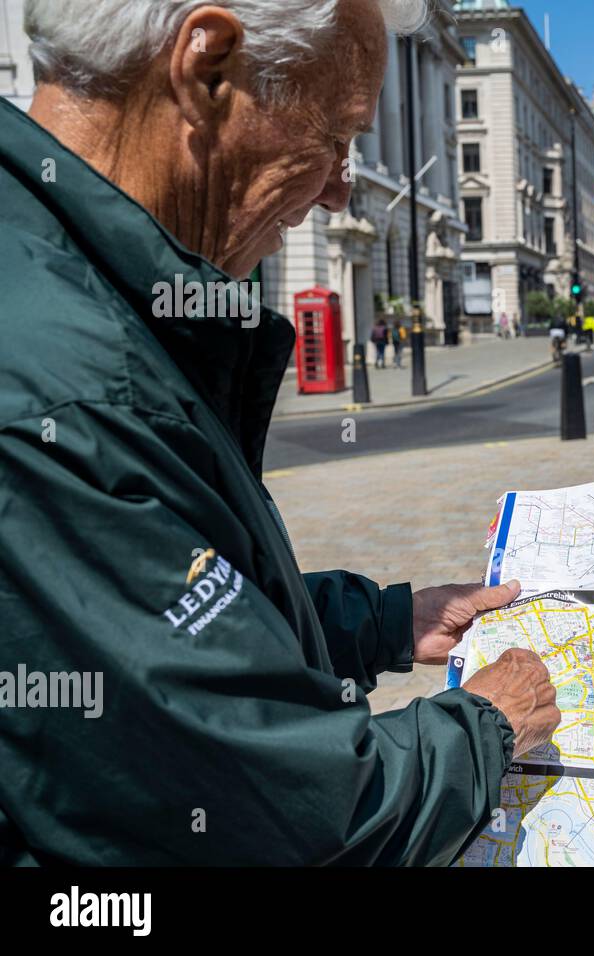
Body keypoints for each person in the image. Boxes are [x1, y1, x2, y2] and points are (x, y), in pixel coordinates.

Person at [0, 0, 561, 866]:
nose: (341, 183)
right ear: (207, 67)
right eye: (336, 134)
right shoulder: (76, 387)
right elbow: (282, 822)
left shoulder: (63, 271)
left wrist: (375, 623)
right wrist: (486, 726)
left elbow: (164, 626)